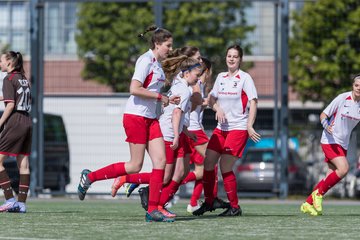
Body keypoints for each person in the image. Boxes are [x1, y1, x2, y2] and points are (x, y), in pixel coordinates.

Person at [77, 25, 179, 223]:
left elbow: (151, 92)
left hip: (150, 119)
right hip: (136, 117)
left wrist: (166, 98)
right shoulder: (145, 60)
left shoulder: (158, 64)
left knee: (161, 162)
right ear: (157, 44)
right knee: (134, 166)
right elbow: (134, 88)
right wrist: (160, 96)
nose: (170, 49)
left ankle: (152, 211)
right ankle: (90, 178)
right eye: (168, 45)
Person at [193, 44, 260, 217]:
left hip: (237, 129)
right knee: (208, 163)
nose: (231, 59)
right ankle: (209, 202)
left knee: (225, 165)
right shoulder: (221, 77)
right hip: (221, 129)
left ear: (240, 60)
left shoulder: (245, 78)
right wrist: (217, 108)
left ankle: (235, 207)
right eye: (229, 55)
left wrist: (249, 125)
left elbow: (253, 102)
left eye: (235, 56)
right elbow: (212, 98)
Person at [301, 75, 360, 216]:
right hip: (330, 140)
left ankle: (307, 203)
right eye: (357, 85)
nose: (359, 88)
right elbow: (323, 115)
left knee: (329, 177)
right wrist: (326, 126)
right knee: (344, 169)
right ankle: (318, 195)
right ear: (353, 85)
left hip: (343, 144)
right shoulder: (342, 98)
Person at [0, 51, 32, 213]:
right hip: (27, 120)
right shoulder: (23, 78)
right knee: (23, 164)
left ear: (9, 63)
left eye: (1, 61)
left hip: (16, 121)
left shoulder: (9, 78)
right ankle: (21, 204)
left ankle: (9, 199)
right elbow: (14, 97)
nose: (0, 64)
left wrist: (1, 122)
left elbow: (11, 104)